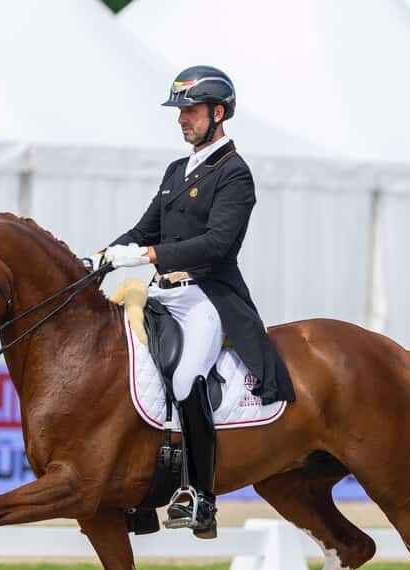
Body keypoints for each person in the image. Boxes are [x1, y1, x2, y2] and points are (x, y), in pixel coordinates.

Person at [103, 65, 296, 539]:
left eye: (190, 111)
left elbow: (216, 244)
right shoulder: (176, 171)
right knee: (130, 374)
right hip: (163, 297)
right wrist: (102, 256)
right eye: (180, 111)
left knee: (187, 378)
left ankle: (201, 495)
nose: (182, 119)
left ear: (218, 112)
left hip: (207, 297)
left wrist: (148, 254)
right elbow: (145, 229)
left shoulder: (234, 173)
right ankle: (141, 492)